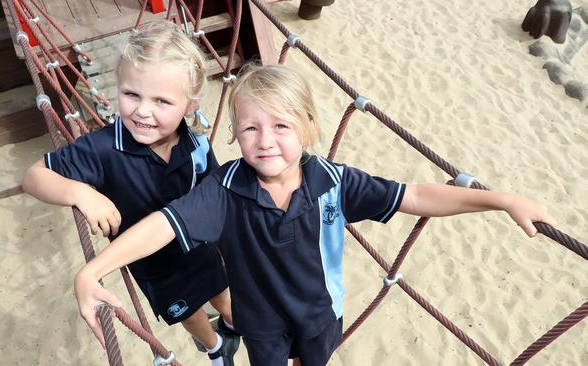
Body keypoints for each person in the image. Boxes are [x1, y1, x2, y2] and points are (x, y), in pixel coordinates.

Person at [73, 64, 555, 366]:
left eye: (281, 125)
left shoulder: (332, 180)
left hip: (322, 314)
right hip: (258, 321)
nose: (265, 141)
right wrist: (95, 269)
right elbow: (161, 225)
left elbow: (417, 196)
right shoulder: (223, 190)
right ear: (235, 136)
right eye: (249, 128)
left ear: (309, 128)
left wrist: (501, 199)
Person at [21, 21, 239, 366]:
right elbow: (34, 176)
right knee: (188, 313)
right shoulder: (103, 148)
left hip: (199, 248)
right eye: (131, 94)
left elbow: (216, 196)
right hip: (154, 266)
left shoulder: (196, 144)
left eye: (162, 101)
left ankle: (231, 324)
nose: (142, 111)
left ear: (190, 105)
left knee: (223, 293)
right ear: (118, 87)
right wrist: (80, 192)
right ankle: (214, 347)